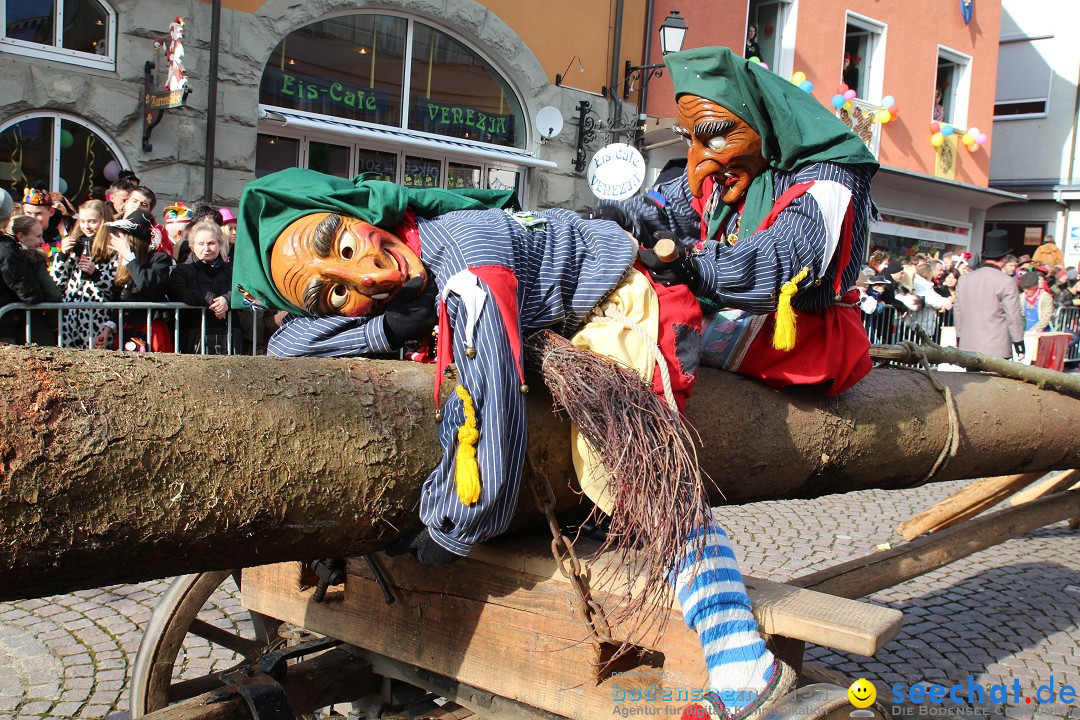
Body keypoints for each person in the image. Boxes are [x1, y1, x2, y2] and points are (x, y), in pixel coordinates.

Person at [234, 167, 792, 720]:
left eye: (346, 243)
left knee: (630, 468)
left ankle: (740, 655)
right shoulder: (417, 262)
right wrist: (392, 326)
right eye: (334, 291)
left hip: (620, 297)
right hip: (551, 322)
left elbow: (491, 403)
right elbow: (288, 346)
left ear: (362, 214)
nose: (368, 277)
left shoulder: (465, 257)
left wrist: (452, 526)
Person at [612, 45, 877, 399]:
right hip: (732, 324)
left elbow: (787, 254)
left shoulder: (828, 176)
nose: (697, 169)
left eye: (715, 138)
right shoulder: (722, 172)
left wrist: (698, 268)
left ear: (758, 120)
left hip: (804, 348)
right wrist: (617, 217)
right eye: (690, 139)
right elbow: (664, 205)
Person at [98, 209, 174, 352]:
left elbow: (146, 283)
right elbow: (121, 299)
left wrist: (128, 255)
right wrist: (107, 330)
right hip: (128, 327)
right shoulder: (126, 263)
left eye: (123, 237)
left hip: (151, 326)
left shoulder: (159, 259)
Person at [50, 199, 119, 348]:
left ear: (103, 221)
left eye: (92, 221)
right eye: (82, 221)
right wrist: (62, 255)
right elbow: (57, 282)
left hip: (98, 318)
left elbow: (116, 286)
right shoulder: (75, 244)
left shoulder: (113, 247)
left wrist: (95, 273)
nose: (86, 226)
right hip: (70, 317)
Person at [167, 220, 238, 354]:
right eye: (201, 244)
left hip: (228, 335)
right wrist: (212, 300)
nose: (206, 248)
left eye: (211, 243)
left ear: (220, 244)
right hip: (192, 336)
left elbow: (243, 290)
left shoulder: (232, 269)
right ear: (192, 246)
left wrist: (227, 300)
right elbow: (178, 292)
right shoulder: (181, 270)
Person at [954, 230, 1024, 359]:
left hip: (969, 345)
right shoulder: (1006, 281)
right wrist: (1019, 343)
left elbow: (958, 312)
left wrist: (959, 337)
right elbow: (1013, 315)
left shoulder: (964, 279)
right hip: (996, 347)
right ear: (1004, 259)